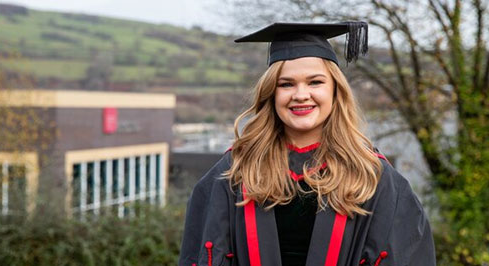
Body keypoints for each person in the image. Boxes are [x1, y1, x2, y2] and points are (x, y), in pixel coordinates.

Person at [179, 22, 436, 266]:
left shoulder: (371, 175)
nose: (301, 95)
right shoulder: (236, 170)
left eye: (315, 82)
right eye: (286, 84)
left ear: (335, 90)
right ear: (271, 93)